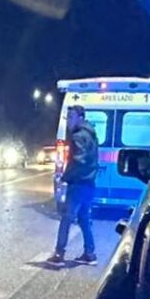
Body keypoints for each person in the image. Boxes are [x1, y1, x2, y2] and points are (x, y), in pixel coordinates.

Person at [51, 104, 99, 265]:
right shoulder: (91, 134)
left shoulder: (78, 136)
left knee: (67, 218)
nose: (68, 121)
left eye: (71, 117)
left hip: (78, 184)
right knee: (84, 218)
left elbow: (79, 160)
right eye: (67, 117)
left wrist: (65, 177)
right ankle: (90, 254)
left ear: (80, 118)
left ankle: (59, 255)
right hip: (89, 184)